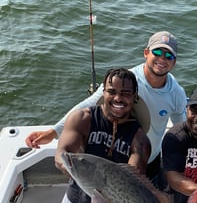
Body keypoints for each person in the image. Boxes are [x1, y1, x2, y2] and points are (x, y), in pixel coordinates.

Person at [33, 68, 151, 203]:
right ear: (103, 92)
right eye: (111, 91)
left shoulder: (139, 137)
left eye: (125, 93)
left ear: (134, 97)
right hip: (80, 198)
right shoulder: (83, 118)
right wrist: (66, 164)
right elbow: (63, 153)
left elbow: (136, 170)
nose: (118, 98)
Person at [25, 31, 186, 182]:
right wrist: (53, 132)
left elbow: (180, 130)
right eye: (157, 52)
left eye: (169, 55)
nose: (162, 59)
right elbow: (86, 106)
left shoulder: (177, 93)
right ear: (146, 53)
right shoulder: (127, 80)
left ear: (174, 61)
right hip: (114, 159)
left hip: (150, 159)